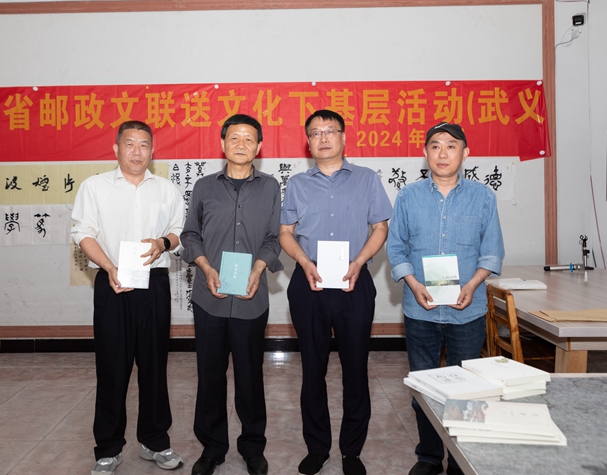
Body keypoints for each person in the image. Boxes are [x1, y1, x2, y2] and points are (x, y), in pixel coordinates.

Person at [386, 121, 505, 475]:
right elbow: (396, 248)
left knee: (466, 390)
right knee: (424, 386)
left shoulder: (483, 197)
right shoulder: (408, 196)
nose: (443, 153)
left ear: (465, 153)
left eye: (451, 146)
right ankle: (429, 456)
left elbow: (492, 252)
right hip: (420, 309)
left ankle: (459, 459)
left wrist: (472, 284)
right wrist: (412, 283)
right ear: (425, 153)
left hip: (466, 311)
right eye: (435, 146)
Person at [279, 110, 392, 475]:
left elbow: (380, 227)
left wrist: (359, 262)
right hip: (309, 281)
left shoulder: (366, 179)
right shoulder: (298, 184)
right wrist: (302, 261)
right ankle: (317, 448)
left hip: (353, 281)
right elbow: (285, 233)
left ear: (343, 137)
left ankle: (351, 451)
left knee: (355, 368)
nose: (323, 137)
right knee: (312, 369)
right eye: (315, 132)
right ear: (308, 141)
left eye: (330, 131)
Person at [71, 121, 185, 475]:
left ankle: (155, 441)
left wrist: (162, 243)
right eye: (130, 144)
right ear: (116, 148)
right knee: (112, 367)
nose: (137, 151)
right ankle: (108, 447)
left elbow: (178, 232)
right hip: (113, 283)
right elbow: (83, 232)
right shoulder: (95, 187)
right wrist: (109, 267)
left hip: (154, 285)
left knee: (154, 366)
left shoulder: (166, 189)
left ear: (153, 150)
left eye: (144, 145)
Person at [180, 114, 283, 475]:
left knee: (250, 377)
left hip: (251, 299)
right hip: (210, 298)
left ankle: (253, 447)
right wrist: (206, 267)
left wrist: (258, 268)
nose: (241, 144)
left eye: (248, 139)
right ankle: (212, 448)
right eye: (234, 138)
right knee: (210, 375)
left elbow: (273, 238)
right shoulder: (204, 187)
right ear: (222, 143)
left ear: (259, 146)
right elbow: (190, 234)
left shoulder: (270, 187)